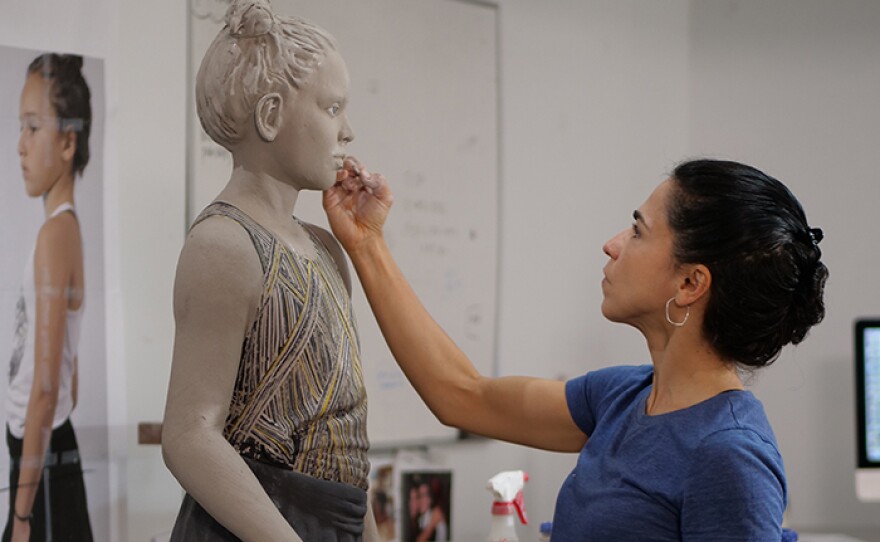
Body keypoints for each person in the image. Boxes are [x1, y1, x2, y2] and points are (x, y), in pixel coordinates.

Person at [324, 157, 828, 541]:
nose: (613, 244)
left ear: (691, 282)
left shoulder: (730, 455)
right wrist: (368, 243)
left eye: (637, 230)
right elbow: (462, 395)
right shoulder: (623, 397)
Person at [161, 1, 376, 540]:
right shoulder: (224, 246)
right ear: (271, 115)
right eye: (332, 108)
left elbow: (344, 431)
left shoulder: (325, 250)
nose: (347, 130)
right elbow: (190, 436)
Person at [4, 53, 94, 542]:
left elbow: (46, 388)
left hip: (38, 469)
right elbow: (65, 375)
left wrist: (21, 516)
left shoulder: (56, 236)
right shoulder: (63, 232)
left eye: (32, 128)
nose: (19, 146)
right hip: (40, 453)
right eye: (21, 127)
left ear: (67, 141)